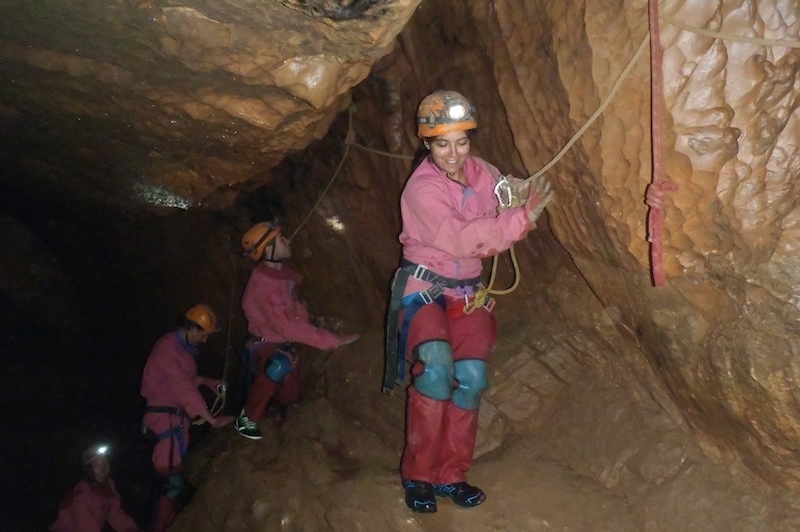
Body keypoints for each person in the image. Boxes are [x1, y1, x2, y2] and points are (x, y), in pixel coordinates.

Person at [384, 90, 553, 513]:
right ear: (427, 144)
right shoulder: (421, 189)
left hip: (467, 294)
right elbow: (461, 239)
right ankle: (419, 475)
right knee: (436, 369)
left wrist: (515, 193)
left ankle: (452, 475)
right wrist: (521, 219)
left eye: (461, 141)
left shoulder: (480, 171)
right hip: (424, 290)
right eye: (442, 143)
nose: (454, 153)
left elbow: (502, 193)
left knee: (473, 380)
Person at [234, 221, 360, 440]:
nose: (287, 240)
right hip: (265, 347)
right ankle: (246, 419)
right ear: (269, 250)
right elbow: (287, 326)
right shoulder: (262, 286)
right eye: (281, 239)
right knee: (278, 366)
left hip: (283, 345)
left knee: (291, 396)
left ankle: (279, 411)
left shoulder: (280, 274)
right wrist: (333, 340)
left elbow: (295, 311)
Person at [140, 304, 233, 532]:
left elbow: (185, 380)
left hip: (176, 422)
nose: (204, 341)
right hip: (164, 422)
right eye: (203, 335)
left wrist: (205, 382)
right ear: (191, 328)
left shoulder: (182, 351)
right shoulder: (167, 350)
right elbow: (181, 387)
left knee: (172, 482)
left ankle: (168, 522)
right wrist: (211, 419)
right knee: (170, 483)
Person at [49, 443, 142, 532]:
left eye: (106, 464)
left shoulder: (107, 487)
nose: (103, 469)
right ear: (89, 469)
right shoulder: (82, 496)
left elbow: (115, 515)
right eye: (98, 465)